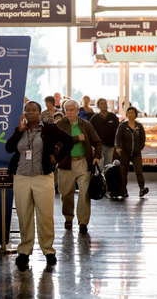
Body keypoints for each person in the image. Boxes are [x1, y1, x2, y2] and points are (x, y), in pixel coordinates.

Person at [6, 101, 73, 269]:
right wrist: (19, 131)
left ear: (39, 112)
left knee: (45, 216)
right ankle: (24, 251)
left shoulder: (49, 129)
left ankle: (48, 250)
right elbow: (8, 148)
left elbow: (69, 141)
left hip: (42, 177)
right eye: (27, 110)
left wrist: (56, 159)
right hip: (21, 177)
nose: (30, 113)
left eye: (33, 110)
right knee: (24, 215)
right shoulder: (20, 130)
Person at [57, 99, 102, 234]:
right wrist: (77, 138)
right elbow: (58, 143)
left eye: (72, 110)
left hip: (83, 162)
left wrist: (97, 156)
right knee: (66, 194)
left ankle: (83, 222)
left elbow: (97, 142)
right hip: (65, 164)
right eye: (67, 110)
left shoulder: (85, 125)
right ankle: (68, 217)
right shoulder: (60, 124)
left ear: (77, 111)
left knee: (84, 193)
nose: (69, 112)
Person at [115, 106, 149, 198]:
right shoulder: (122, 125)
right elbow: (118, 138)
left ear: (135, 115)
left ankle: (142, 188)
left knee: (139, 171)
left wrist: (139, 148)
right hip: (125, 152)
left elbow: (142, 139)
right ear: (126, 114)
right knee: (123, 172)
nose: (130, 115)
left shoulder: (139, 126)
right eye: (129, 113)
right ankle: (123, 190)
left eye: (132, 113)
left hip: (136, 153)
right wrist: (118, 147)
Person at [89, 98, 120, 170]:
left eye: (105, 103)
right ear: (98, 106)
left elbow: (117, 130)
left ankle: (107, 179)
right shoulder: (95, 118)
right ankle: (100, 180)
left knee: (108, 165)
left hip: (110, 145)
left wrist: (117, 143)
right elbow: (90, 131)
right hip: (99, 145)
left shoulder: (113, 117)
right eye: (102, 103)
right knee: (100, 165)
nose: (104, 105)